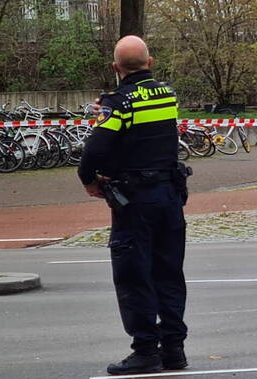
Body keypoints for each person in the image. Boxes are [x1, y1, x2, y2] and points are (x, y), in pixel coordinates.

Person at [78, 36, 189, 376]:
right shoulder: (167, 95)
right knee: (169, 273)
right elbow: (142, 125)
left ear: (116, 68)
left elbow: (97, 149)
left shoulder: (118, 102)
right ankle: (174, 348)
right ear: (150, 62)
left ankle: (145, 350)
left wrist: (89, 180)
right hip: (169, 196)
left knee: (133, 275)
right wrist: (109, 109)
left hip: (135, 202)